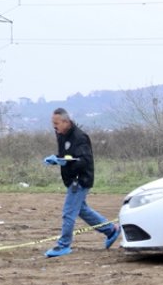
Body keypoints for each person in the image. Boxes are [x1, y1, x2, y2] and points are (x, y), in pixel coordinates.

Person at [42, 108, 120, 257]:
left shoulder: (80, 137)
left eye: (56, 123)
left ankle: (63, 245)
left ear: (66, 121)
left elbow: (84, 160)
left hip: (80, 179)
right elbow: (66, 155)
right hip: (71, 178)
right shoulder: (61, 134)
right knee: (82, 210)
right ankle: (111, 230)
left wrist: (64, 162)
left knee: (68, 212)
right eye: (53, 123)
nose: (54, 126)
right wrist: (57, 159)